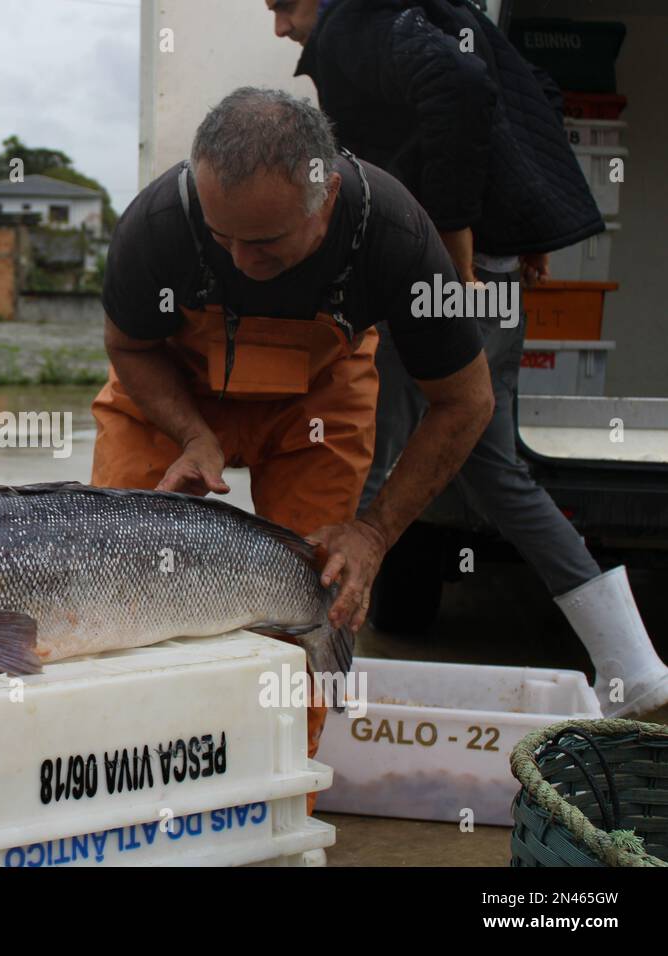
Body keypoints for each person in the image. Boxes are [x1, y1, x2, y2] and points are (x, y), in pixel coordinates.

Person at [91, 88, 494, 799]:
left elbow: (466, 401)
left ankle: (278, 805)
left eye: (268, 243)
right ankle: (126, 795)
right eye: (223, 239)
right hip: (173, 398)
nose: (242, 263)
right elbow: (128, 345)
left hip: (315, 404)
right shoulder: (157, 225)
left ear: (325, 195)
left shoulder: (395, 235)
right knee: (119, 588)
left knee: (315, 602)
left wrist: (373, 533)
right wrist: (193, 434)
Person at [273, 0, 668, 719]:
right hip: (487, 271)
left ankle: (315, 697)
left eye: (281, 4)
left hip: (440, 275)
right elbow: (527, 93)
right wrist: (525, 223)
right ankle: (632, 664)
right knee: (487, 462)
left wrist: (453, 247)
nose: (279, 26)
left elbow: (462, 90)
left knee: (365, 459)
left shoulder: (355, 26)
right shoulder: (436, 12)